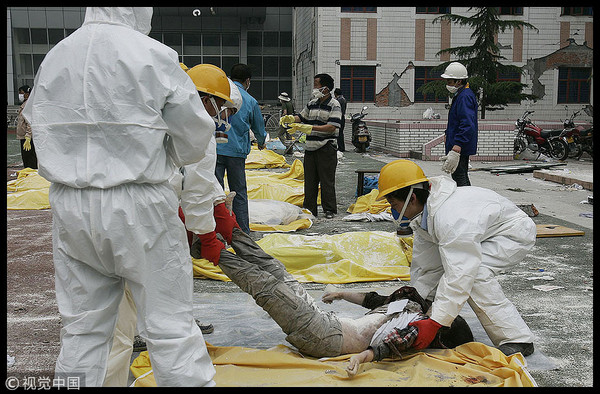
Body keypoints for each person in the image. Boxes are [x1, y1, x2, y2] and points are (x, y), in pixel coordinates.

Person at [22, 7, 217, 386]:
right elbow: (194, 137)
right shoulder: (153, 54)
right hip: (139, 201)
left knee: (82, 332)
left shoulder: (57, 55)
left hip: (70, 202)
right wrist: (165, 157)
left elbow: (37, 126)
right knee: (169, 328)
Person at [104, 63, 241, 386]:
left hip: (103, 216)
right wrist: (207, 231)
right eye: (221, 106)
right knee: (170, 321)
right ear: (205, 99)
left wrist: (218, 204)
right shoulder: (197, 126)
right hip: (150, 221)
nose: (222, 115)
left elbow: (189, 179)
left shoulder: (148, 113)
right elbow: (194, 185)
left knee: (106, 323)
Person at [214, 226, 473, 378]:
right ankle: (230, 229)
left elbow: (393, 341)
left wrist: (360, 359)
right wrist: (340, 293)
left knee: (268, 287)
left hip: (325, 337)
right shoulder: (411, 305)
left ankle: (211, 250)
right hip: (327, 324)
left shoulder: (422, 327)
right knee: (277, 271)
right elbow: (375, 300)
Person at [376, 159, 536, 357]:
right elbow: (426, 267)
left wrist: (436, 321)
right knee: (449, 268)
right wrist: (416, 303)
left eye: (394, 204)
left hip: (511, 233)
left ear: (412, 198)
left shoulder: (451, 219)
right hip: (482, 233)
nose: (394, 211)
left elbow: (459, 274)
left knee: (475, 274)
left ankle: (517, 338)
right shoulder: (426, 215)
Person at [279, 73, 342, 219]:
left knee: (327, 180)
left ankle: (329, 210)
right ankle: (310, 209)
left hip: (326, 147)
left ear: (325, 88)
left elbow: (332, 126)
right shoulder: (312, 102)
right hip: (311, 148)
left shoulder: (334, 105)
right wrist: (289, 118)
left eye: (316, 85)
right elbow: (302, 117)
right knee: (310, 181)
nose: (314, 88)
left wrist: (310, 128)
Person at [215, 63, 267, 234]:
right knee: (239, 191)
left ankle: (215, 228)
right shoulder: (250, 100)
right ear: (247, 81)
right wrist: (261, 141)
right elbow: (259, 127)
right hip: (236, 152)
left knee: (214, 191)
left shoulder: (219, 95)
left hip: (215, 149)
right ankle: (242, 229)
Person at [439, 62, 478, 186]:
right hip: (457, 142)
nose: (448, 84)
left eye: (450, 81)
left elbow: (467, 124)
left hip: (460, 145)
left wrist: (458, 145)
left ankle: (467, 203)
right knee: (459, 175)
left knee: (459, 176)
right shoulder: (461, 95)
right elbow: (456, 121)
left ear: (459, 81)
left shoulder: (464, 97)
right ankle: (467, 201)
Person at [16, 85, 38, 169]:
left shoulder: (29, 106)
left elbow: (30, 122)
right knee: (26, 159)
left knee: (30, 160)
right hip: (24, 138)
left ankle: (32, 177)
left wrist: (28, 137)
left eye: (21, 93)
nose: (20, 95)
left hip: (28, 139)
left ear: (27, 94)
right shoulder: (25, 105)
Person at [333, 88, 347, 152]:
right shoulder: (343, 99)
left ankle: (341, 148)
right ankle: (341, 147)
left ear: (335, 93)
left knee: (339, 133)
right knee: (340, 133)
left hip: (339, 117)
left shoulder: (339, 100)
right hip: (342, 117)